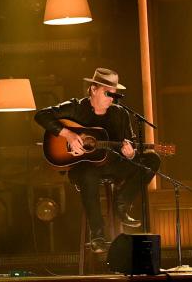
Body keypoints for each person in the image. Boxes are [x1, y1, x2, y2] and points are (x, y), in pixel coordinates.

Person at [34, 67, 160, 253]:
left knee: (152, 159)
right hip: (84, 168)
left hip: (114, 165)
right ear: (93, 89)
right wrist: (67, 134)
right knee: (88, 174)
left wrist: (130, 153)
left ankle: (122, 202)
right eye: (107, 93)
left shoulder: (120, 114)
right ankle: (98, 233)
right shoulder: (76, 107)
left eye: (114, 94)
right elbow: (41, 115)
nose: (111, 98)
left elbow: (129, 143)